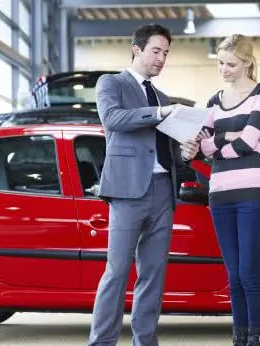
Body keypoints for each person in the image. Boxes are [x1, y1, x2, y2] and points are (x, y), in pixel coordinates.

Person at [88, 24, 200, 346]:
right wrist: (160, 111)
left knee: (153, 275)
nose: (162, 58)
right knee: (117, 272)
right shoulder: (112, 84)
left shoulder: (163, 98)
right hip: (127, 193)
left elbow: (170, 153)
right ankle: (102, 343)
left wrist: (186, 153)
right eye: (156, 51)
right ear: (136, 49)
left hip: (164, 191)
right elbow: (113, 119)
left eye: (166, 53)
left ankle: (145, 341)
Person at [198, 34, 260, 346]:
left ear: (247, 64)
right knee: (232, 276)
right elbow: (203, 147)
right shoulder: (213, 101)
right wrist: (227, 139)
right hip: (220, 194)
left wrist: (219, 142)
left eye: (231, 64)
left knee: (249, 273)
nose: (224, 69)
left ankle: (257, 337)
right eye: (221, 63)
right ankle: (239, 338)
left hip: (252, 193)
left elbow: (249, 140)